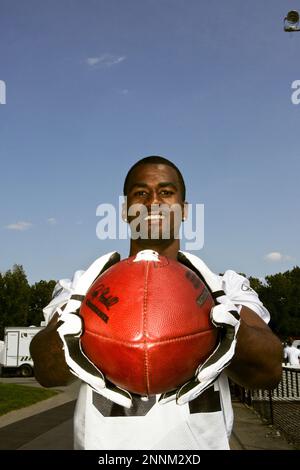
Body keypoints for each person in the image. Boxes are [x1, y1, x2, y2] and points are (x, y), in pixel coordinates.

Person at [30, 155, 283, 450]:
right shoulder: (85, 286)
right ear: (126, 211)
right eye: (141, 193)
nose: (153, 202)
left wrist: (235, 333)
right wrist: (66, 333)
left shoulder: (223, 287)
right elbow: (46, 372)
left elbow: (269, 372)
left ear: (184, 210)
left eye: (166, 192)